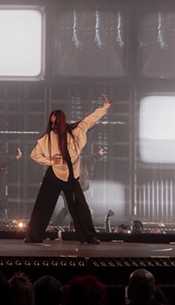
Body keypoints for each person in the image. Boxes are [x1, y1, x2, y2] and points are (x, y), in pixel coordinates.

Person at [24, 94, 112, 244]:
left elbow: (90, 119)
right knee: (42, 206)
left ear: (61, 122)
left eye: (55, 123)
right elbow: (34, 154)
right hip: (54, 175)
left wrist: (105, 107)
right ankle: (32, 236)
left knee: (80, 207)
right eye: (51, 124)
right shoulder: (47, 138)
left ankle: (88, 237)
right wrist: (49, 161)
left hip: (72, 177)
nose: (53, 126)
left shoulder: (75, 132)